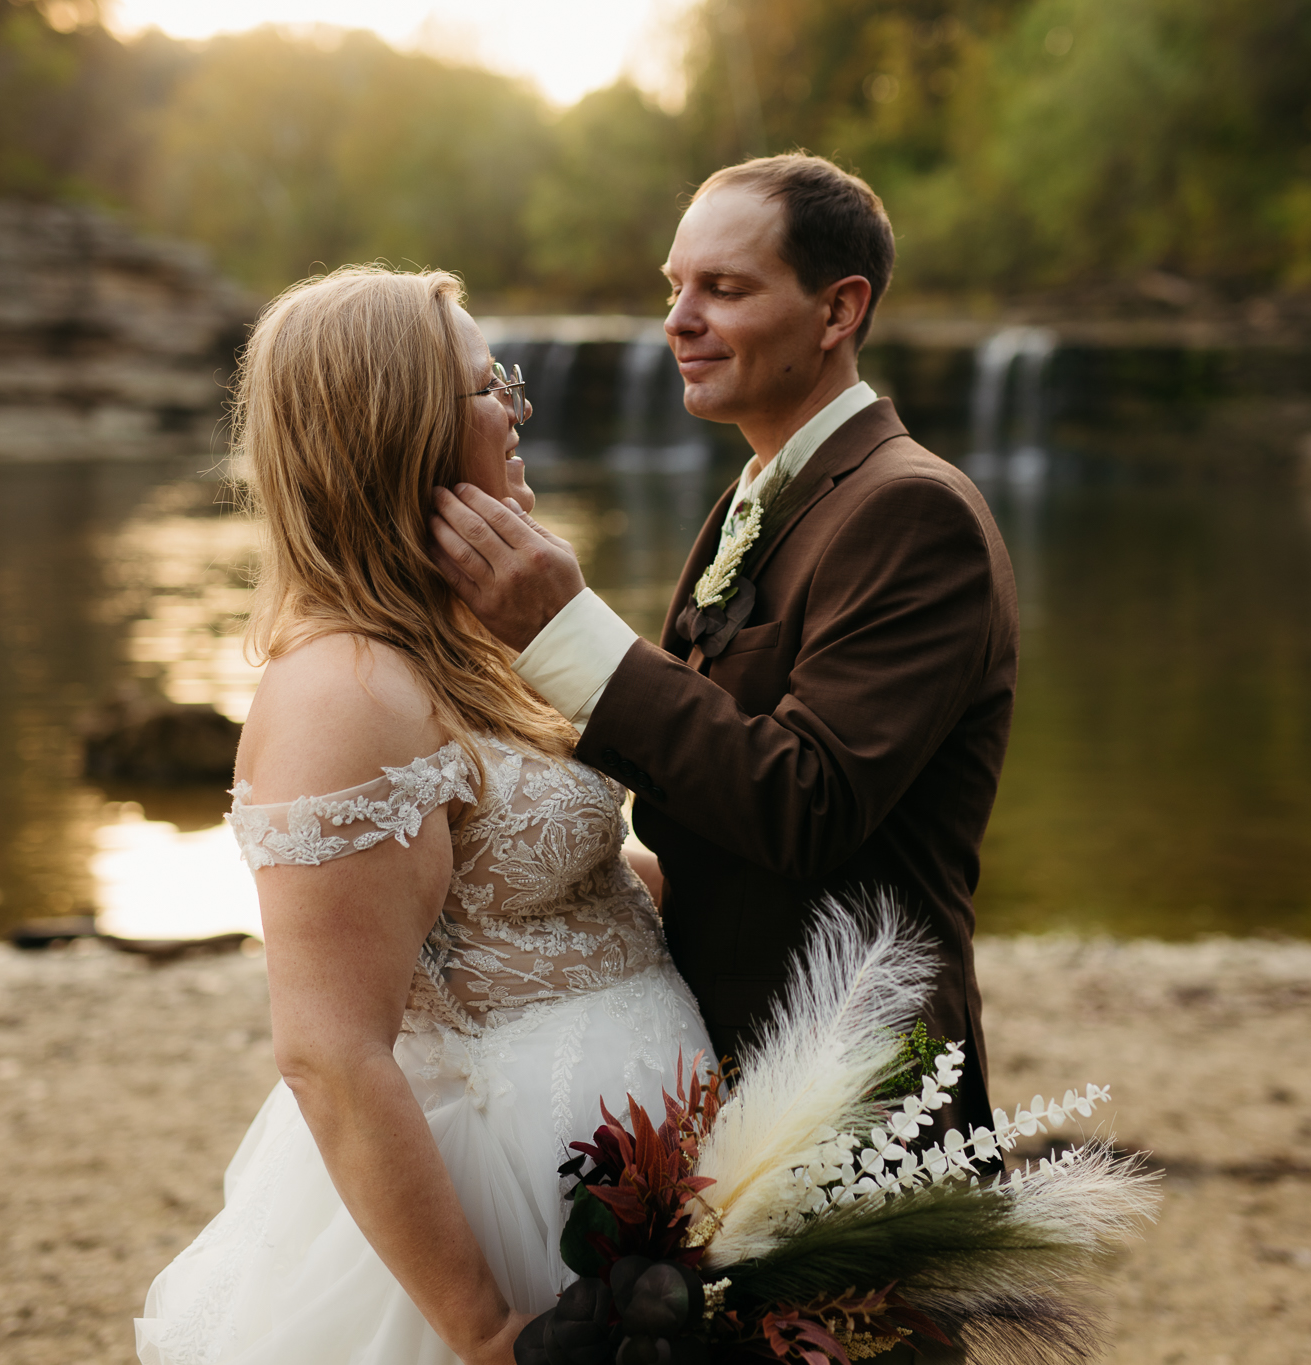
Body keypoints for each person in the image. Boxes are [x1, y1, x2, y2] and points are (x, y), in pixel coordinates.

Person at [136, 265, 713, 1365]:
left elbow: (551, 894)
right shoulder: (340, 692)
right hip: (511, 1212)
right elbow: (331, 1056)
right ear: (395, 428)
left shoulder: (471, 641)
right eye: (488, 383)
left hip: (634, 1180)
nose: (517, 407)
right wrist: (488, 1331)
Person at [429, 153, 1018, 1130]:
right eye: (674, 287)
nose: (677, 320)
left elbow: (806, 803)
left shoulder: (911, 510)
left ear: (837, 313)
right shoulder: (754, 496)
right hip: (725, 1068)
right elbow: (698, 810)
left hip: (850, 1093)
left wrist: (564, 630)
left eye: (723, 289)